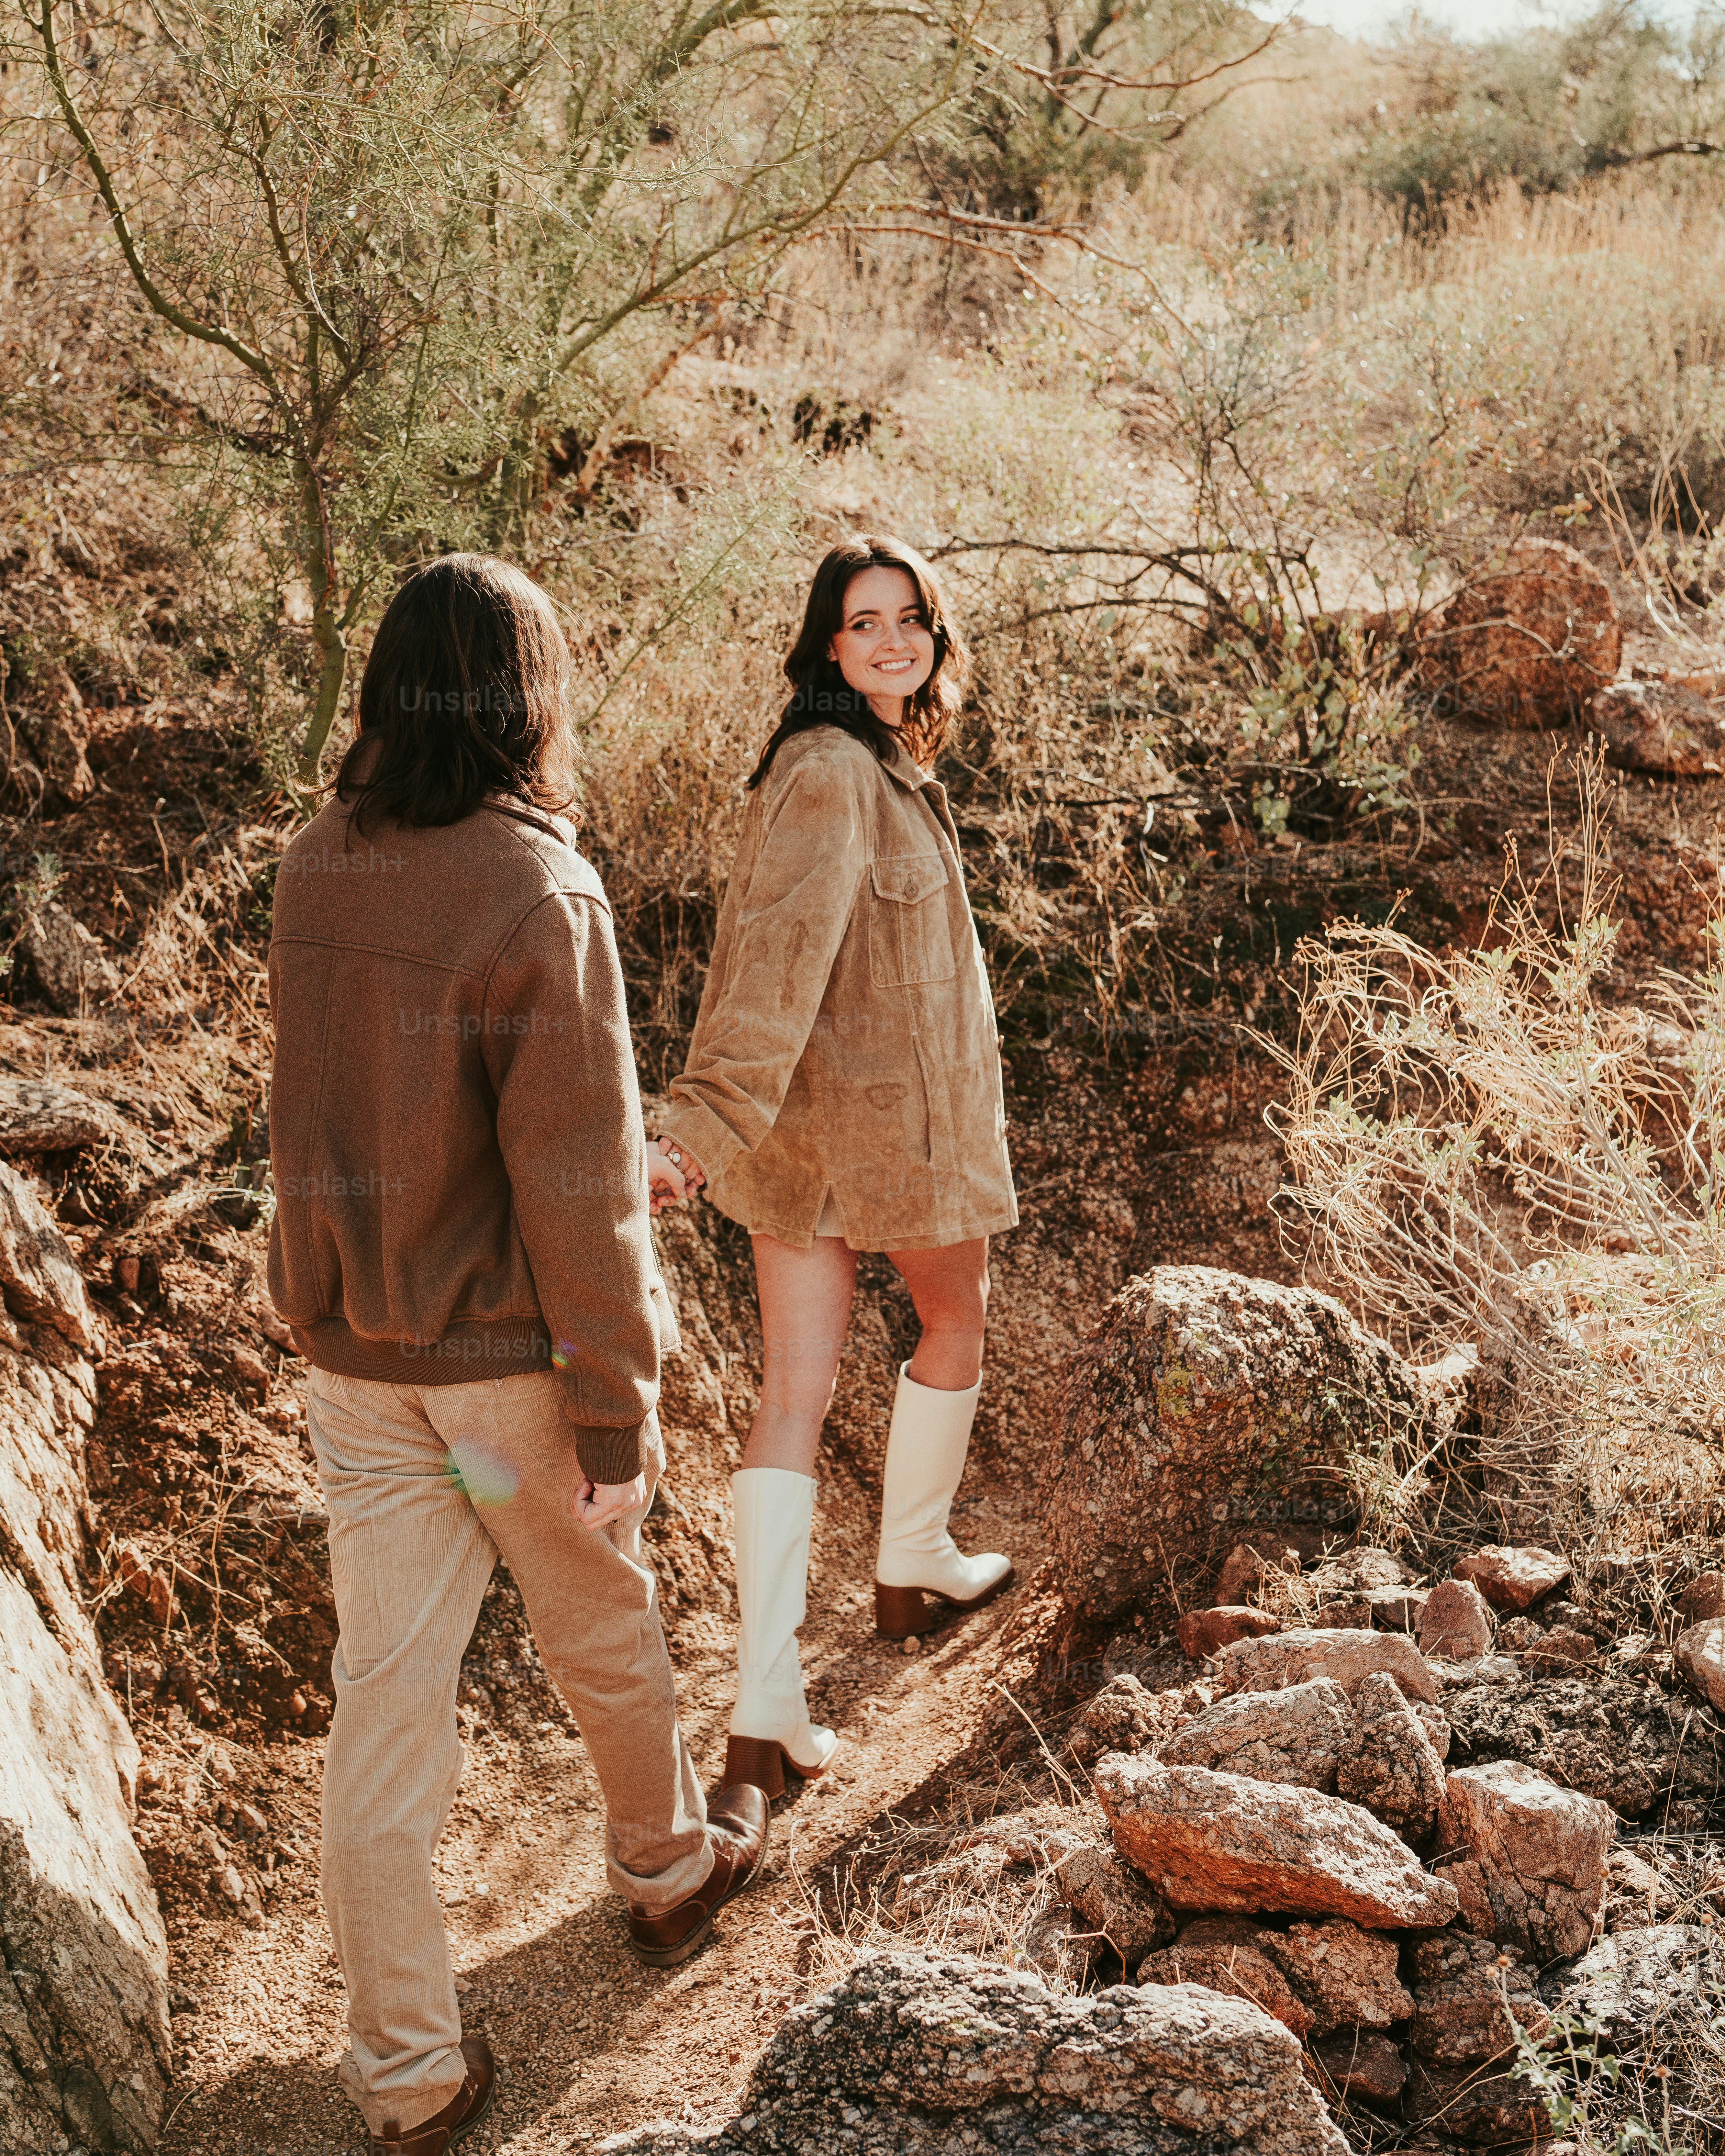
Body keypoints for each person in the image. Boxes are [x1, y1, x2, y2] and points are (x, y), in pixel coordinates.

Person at [267, 554, 767, 2156]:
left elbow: (338, 1115)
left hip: (359, 1363)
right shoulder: (536, 891)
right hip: (492, 1386)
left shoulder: (314, 866)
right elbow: (565, 1185)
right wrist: (619, 1417)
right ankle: (668, 1872)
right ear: (525, 695)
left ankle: (405, 2072)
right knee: (594, 1612)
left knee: (386, 1703)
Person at [648, 535, 1019, 1801]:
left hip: (834, 1136)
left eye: (910, 619)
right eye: (863, 624)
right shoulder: (827, 772)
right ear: (823, 645)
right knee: (945, 1323)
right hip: (878, 1130)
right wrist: (696, 1129)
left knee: (798, 1389)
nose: (893, 641)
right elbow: (770, 967)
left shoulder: (872, 760)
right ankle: (899, 1571)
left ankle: (778, 1699)